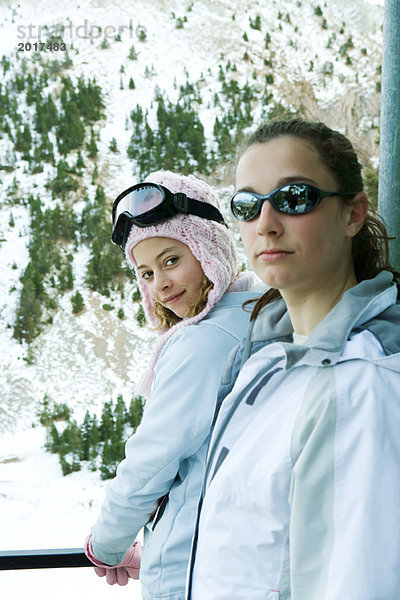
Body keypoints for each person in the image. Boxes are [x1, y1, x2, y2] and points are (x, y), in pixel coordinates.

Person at [187, 118, 400, 599]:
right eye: (247, 205)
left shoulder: (361, 383)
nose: (265, 223)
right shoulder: (270, 357)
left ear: (352, 214)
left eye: (295, 198)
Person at [84, 170, 260, 599]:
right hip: (230, 558)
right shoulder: (255, 307)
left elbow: (153, 461)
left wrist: (106, 546)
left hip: (193, 572)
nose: (159, 283)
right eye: (145, 273)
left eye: (171, 260)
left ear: (209, 249)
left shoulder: (204, 341)